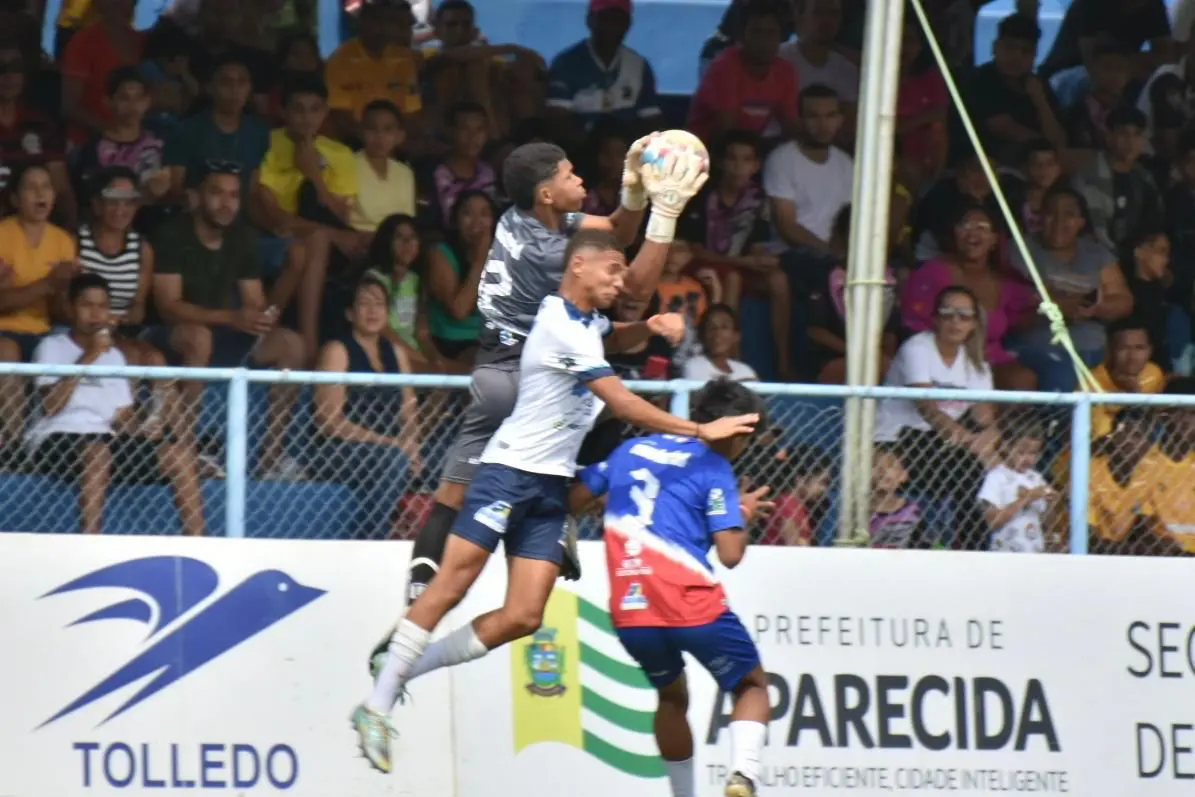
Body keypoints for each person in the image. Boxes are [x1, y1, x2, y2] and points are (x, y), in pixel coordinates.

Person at [352, 229, 759, 773]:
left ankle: (401, 665)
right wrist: (699, 430)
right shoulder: (561, 324)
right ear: (580, 267)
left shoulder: (587, 323)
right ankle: (376, 708)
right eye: (613, 270)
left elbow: (612, 336)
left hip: (549, 489)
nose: (623, 280)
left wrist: (647, 325)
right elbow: (620, 400)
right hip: (508, 473)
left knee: (523, 615)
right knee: (452, 584)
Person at [381, 138, 702, 618]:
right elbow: (633, 284)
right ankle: (557, 518)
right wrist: (666, 212)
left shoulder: (531, 219)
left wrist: (632, 191)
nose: (580, 180)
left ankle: (415, 596)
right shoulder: (548, 249)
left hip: (498, 368)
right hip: (528, 376)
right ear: (547, 194)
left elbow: (612, 229)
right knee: (609, 429)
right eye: (570, 175)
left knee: (453, 491)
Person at [570, 378, 771, 797]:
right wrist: (742, 513)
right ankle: (742, 777)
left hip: (631, 610)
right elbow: (730, 553)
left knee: (671, 698)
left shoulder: (629, 450)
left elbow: (572, 499)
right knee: (750, 686)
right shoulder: (714, 466)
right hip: (691, 604)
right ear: (737, 431)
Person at [27, 273, 206, 536]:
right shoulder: (52, 347)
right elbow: (51, 407)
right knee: (98, 452)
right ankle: (91, 541)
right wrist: (91, 355)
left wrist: (145, 432)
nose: (95, 314)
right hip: (55, 438)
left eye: (102, 306)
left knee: (178, 455)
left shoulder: (114, 357)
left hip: (105, 440)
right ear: (70, 308)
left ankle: (200, 545)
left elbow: (123, 416)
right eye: (87, 305)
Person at [314, 275, 421, 539]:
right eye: (364, 304)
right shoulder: (337, 350)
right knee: (393, 461)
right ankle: (372, 537)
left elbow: (408, 411)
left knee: (454, 454)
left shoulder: (396, 353)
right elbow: (329, 421)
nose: (373, 310)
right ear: (350, 313)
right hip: (339, 448)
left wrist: (412, 445)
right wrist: (393, 445)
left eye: (380, 304)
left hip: (390, 445)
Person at [978, 415, 1057, 553]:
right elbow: (993, 522)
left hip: (1034, 553)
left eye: (1033, 453)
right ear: (1005, 446)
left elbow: (1048, 522)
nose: (1027, 458)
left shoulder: (1036, 478)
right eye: (1021, 452)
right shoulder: (996, 477)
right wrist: (1027, 498)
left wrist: (1051, 502)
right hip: (1005, 554)